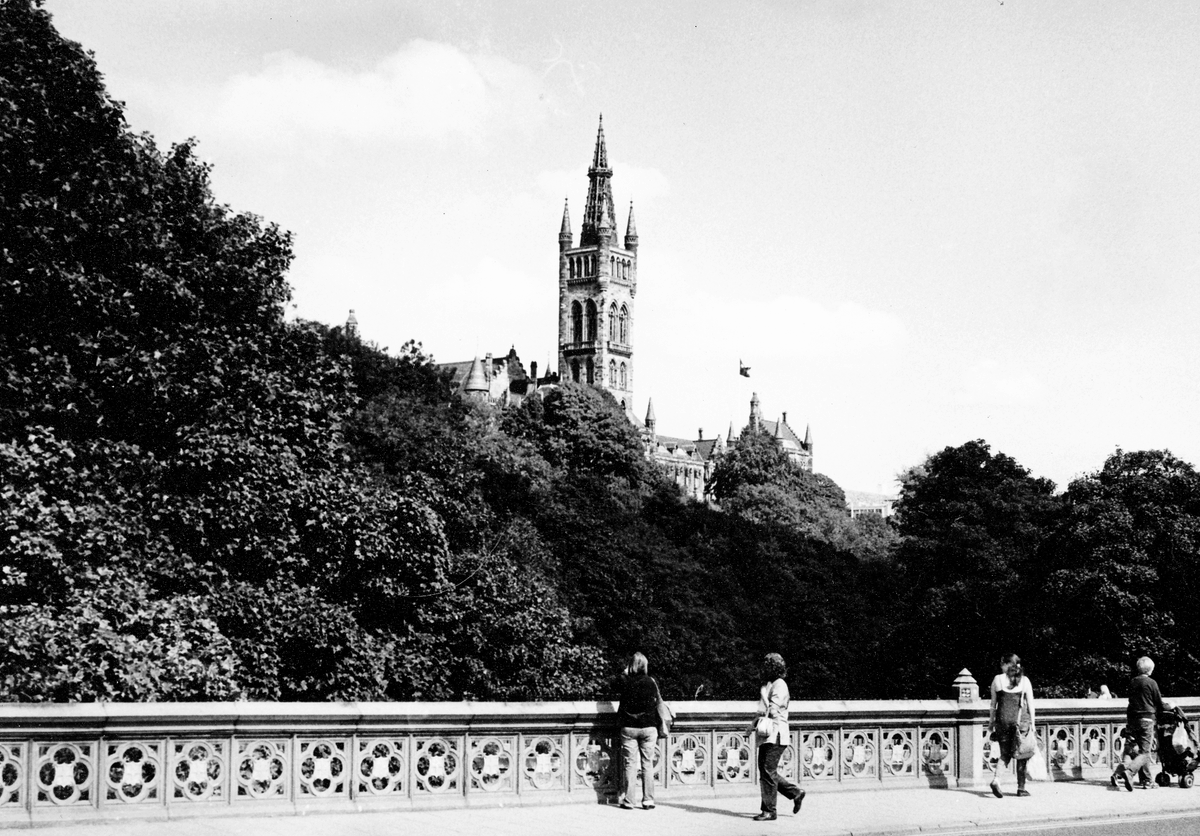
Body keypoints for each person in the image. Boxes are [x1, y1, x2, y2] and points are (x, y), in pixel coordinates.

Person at [747, 652, 805, 821]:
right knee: (767, 771)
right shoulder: (772, 684)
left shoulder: (780, 685)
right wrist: (751, 726)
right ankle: (795, 793)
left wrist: (764, 695)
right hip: (769, 734)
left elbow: (773, 710)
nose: (763, 670)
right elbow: (762, 712)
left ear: (772, 668)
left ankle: (769, 810)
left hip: (777, 734)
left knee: (767, 771)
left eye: (766, 666)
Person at [1111, 656, 1165, 792]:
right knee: (1145, 753)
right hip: (1146, 719)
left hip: (1132, 719)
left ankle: (1123, 774)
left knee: (1131, 749)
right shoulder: (1151, 683)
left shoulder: (1133, 682)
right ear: (1150, 669)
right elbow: (1158, 702)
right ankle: (1130, 772)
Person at [616, 652, 661, 810]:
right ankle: (648, 800)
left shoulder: (625, 682)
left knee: (630, 764)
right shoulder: (651, 682)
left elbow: (615, 683)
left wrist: (625, 672)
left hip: (629, 727)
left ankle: (629, 800)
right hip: (649, 727)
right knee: (647, 764)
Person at [987, 652, 1035, 798]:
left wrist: (991, 723)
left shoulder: (997, 679)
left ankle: (996, 779)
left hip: (1002, 721)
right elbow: (1031, 704)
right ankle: (1021, 788)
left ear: (1008, 664)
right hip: (1020, 722)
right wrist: (1033, 723)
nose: (1001, 666)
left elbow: (993, 705)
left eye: (1002, 663)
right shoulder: (1025, 681)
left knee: (1004, 754)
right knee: (1022, 753)